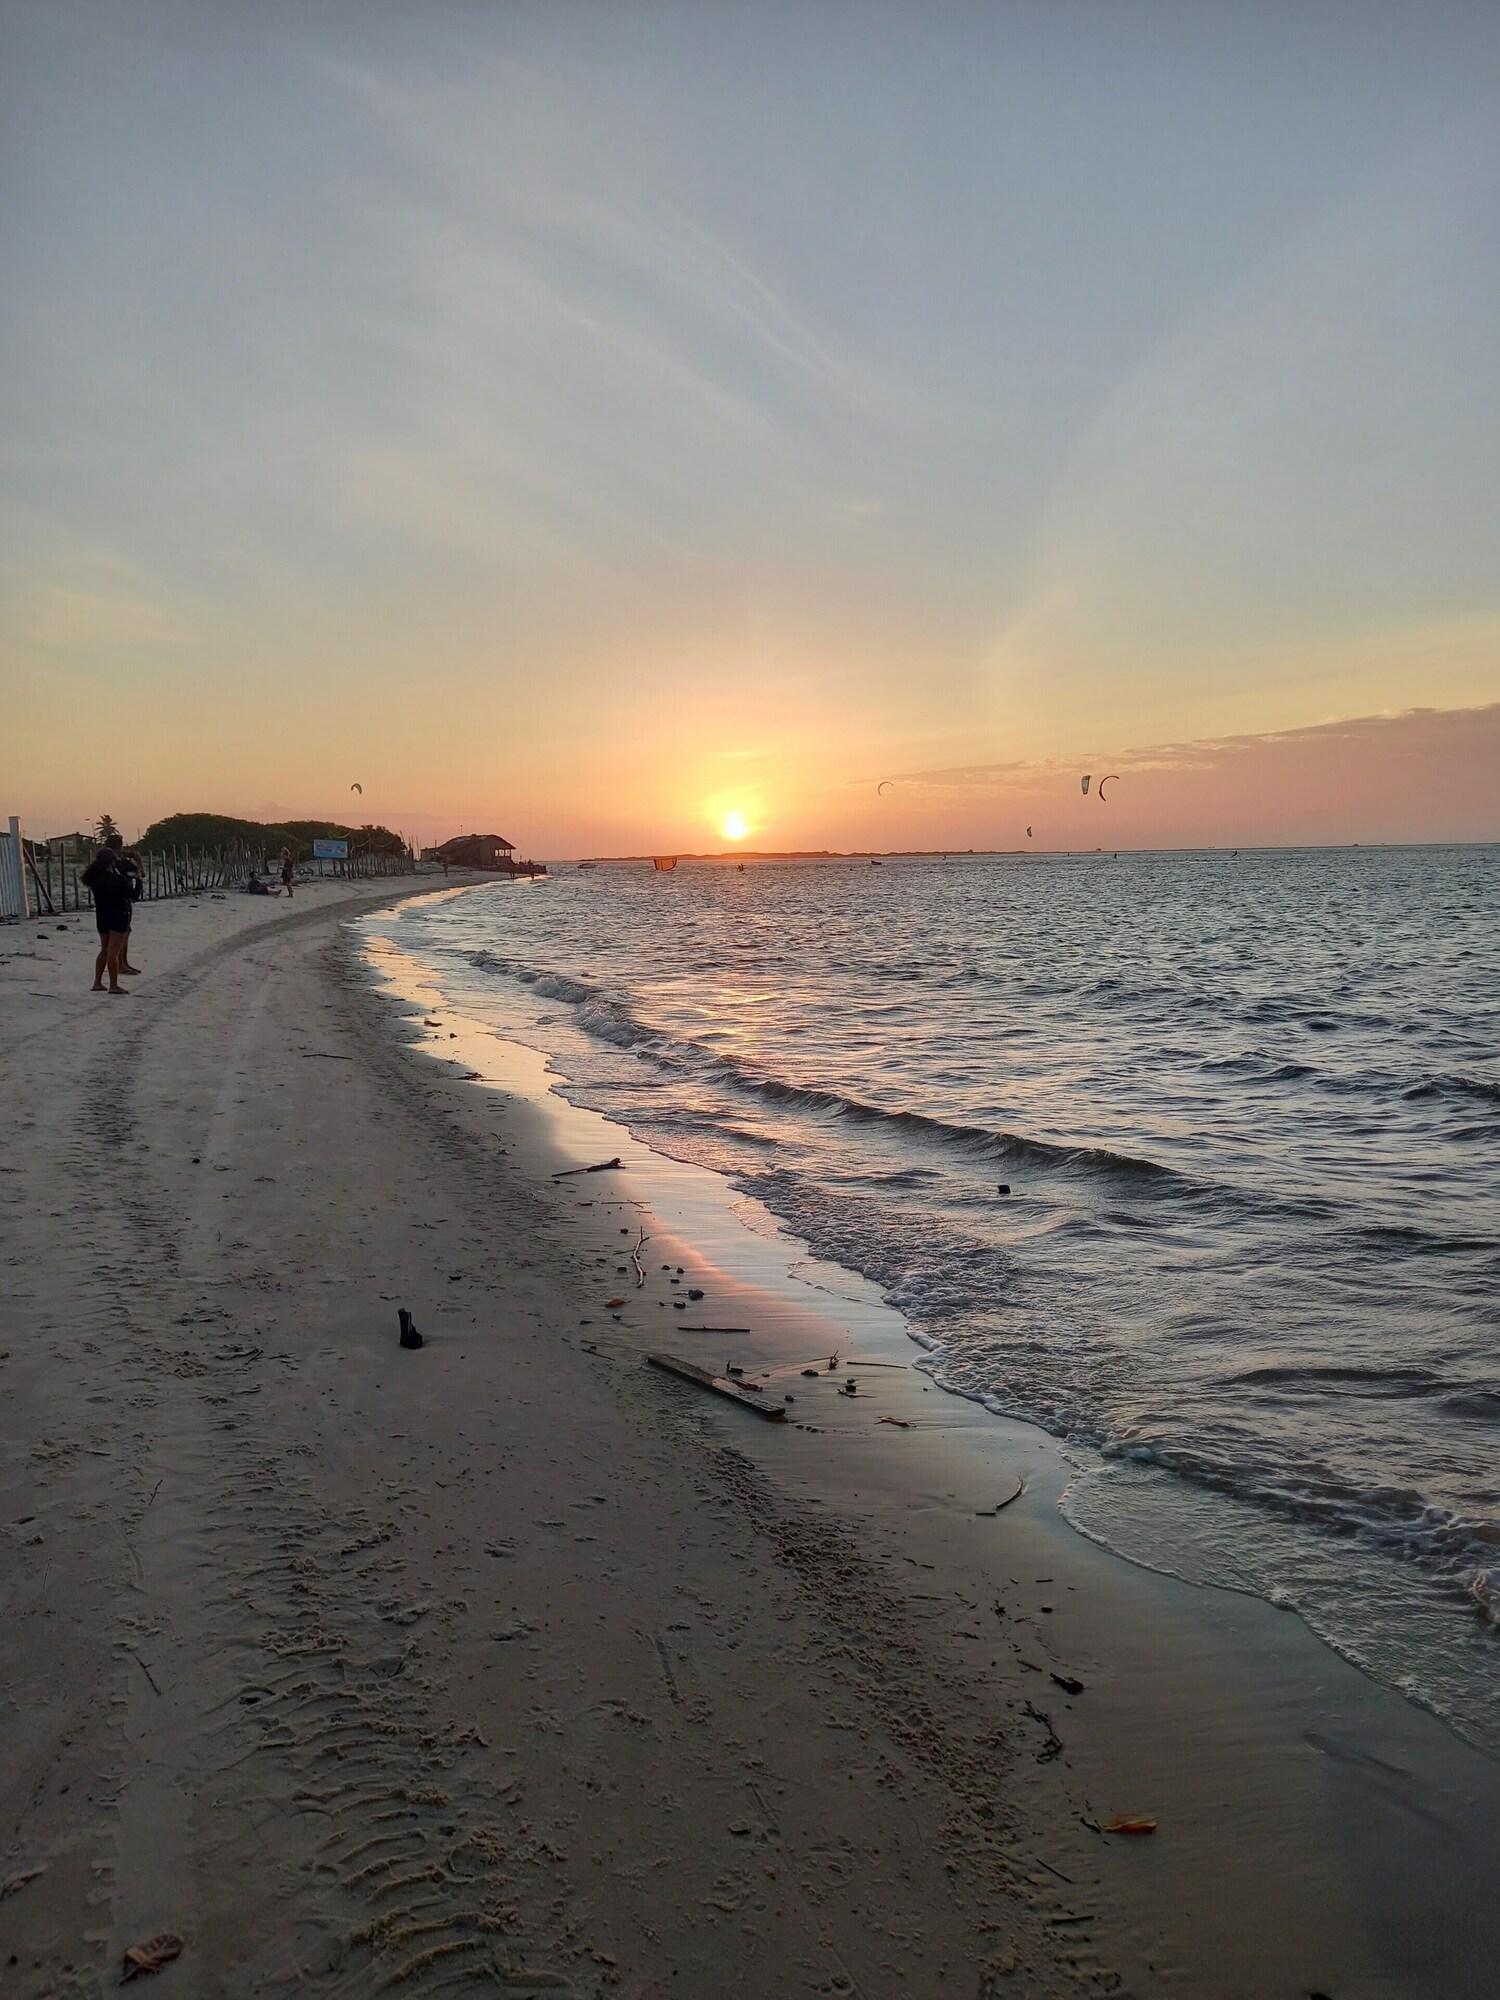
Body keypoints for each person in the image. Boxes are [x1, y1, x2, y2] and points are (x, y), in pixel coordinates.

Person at [82, 834, 134, 994]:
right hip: (118, 915)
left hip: (102, 916)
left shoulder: (94, 880)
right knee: (113, 952)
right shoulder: (118, 879)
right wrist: (138, 880)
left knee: (104, 949)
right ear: (112, 862)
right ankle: (113, 985)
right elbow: (134, 895)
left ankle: (97, 982)